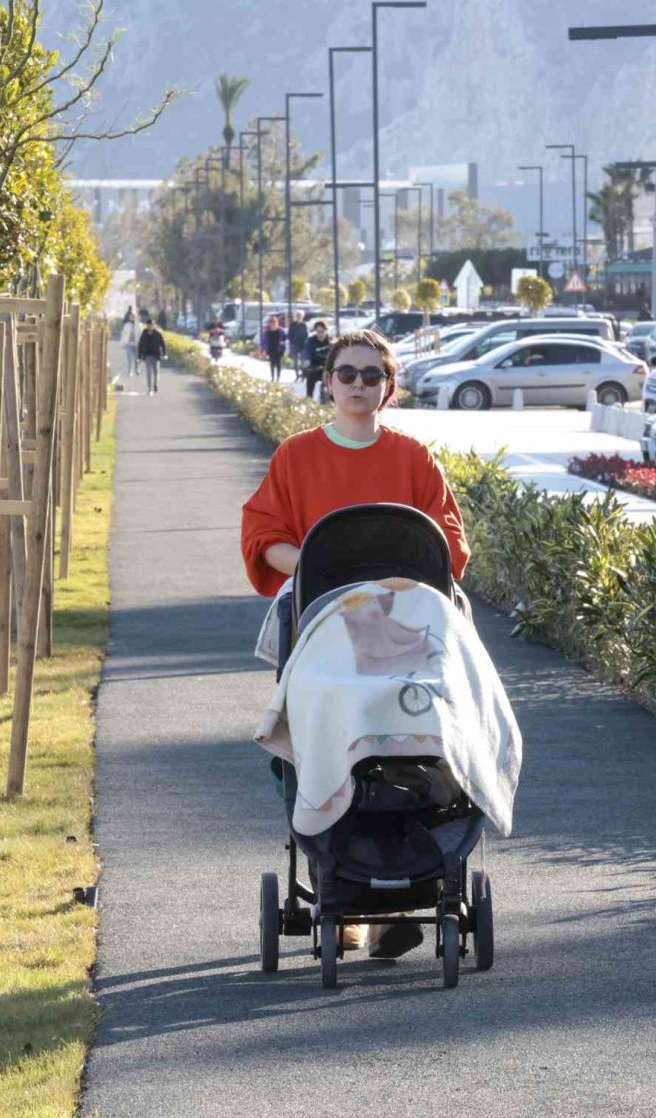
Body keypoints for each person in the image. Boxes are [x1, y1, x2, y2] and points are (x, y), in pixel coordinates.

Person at [241, 328, 469, 959]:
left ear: (388, 387)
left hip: (403, 626)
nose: (359, 385)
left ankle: (403, 889)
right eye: (348, 373)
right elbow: (265, 535)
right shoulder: (296, 456)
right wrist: (325, 571)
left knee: (413, 739)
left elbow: (447, 542)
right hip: (322, 626)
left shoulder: (414, 458)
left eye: (373, 375)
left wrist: (391, 585)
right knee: (318, 734)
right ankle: (338, 889)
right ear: (328, 381)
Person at [137, 317, 167, 394]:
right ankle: (149, 388)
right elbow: (140, 345)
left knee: (156, 371)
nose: (150, 326)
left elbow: (163, 344)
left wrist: (164, 354)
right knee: (149, 372)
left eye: (151, 325)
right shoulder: (144, 334)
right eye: (148, 325)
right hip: (147, 355)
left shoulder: (158, 334)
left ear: (154, 325)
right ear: (147, 326)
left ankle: (155, 384)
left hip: (156, 355)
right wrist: (139, 356)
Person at [303, 319, 331, 399]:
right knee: (310, 383)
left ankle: (326, 399)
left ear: (326, 331)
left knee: (328, 384)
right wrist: (306, 362)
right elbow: (307, 354)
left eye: (322, 331)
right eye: (318, 332)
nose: (320, 334)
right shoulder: (311, 341)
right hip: (314, 367)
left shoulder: (330, 341)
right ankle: (309, 400)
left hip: (326, 368)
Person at [264, 315, 287, 382]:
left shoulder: (280, 330)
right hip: (271, 349)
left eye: (274, 322)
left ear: (276, 323)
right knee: (272, 364)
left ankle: (278, 377)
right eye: (271, 322)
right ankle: (272, 377)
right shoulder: (267, 332)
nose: (273, 324)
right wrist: (264, 349)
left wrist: (282, 341)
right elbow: (264, 341)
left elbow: (285, 338)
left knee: (278, 364)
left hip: (279, 349)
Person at [288, 310, 309, 378]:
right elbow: (290, 334)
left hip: (302, 345)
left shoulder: (304, 325)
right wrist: (291, 342)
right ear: (296, 316)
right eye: (297, 316)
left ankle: (302, 374)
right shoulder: (292, 325)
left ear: (302, 317)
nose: (299, 317)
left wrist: (306, 342)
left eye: (300, 316)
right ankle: (297, 375)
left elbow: (306, 335)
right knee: (295, 361)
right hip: (294, 345)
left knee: (303, 361)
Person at [120, 308, 140, 378]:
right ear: (129, 317)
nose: (132, 318)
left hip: (137, 344)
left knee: (137, 358)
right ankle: (130, 371)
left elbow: (141, 335)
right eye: (131, 316)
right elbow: (123, 334)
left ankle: (137, 368)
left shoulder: (139, 325)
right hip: (128, 344)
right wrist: (122, 343)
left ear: (136, 317)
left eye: (133, 316)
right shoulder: (126, 325)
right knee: (129, 358)